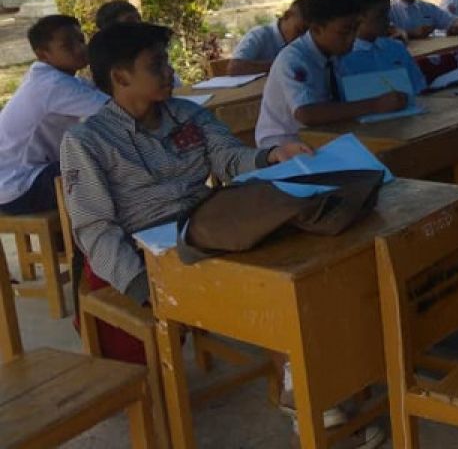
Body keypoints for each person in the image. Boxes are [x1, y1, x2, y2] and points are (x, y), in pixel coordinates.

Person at [60, 23, 309, 339]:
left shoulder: (188, 114)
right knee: (141, 374)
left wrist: (271, 155)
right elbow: (95, 228)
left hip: (201, 231)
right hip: (141, 252)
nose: (169, 72)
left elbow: (228, 157)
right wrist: (141, 286)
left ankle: (286, 366)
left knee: (282, 276)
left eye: (166, 61)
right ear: (121, 77)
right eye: (156, 65)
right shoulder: (87, 140)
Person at [255, 0, 408, 147]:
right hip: (284, 147)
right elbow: (307, 113)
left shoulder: (333, 53)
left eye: (355, 28)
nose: (352, 38)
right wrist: (376, 105)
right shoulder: (293, 59)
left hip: (322, 137)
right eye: (344, 32)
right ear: (316, 29)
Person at [0, 16, 108, 215]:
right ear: (44, 55)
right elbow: (116, 111)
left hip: (28, 175)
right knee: (110, 165)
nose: (80, 48)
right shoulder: (52, 85)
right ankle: (92, 242)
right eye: (68, 45)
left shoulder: (56, 79)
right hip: (19, 186)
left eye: (81, 40)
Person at [339, 0, 426, 96]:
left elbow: (419, 87)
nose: (387, 19)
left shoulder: (396, 48)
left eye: (387, 13)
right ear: (359, 16)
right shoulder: (341, 59)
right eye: (381, 14)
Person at [227, 0, 309, 75]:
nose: (302, 38)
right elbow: (235, 67)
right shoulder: (260, 35)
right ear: (287, 16)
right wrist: (281, 65)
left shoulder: (306, 42)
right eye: (299, 30)